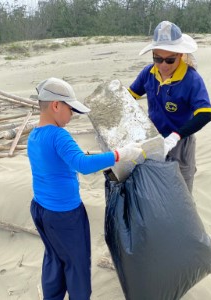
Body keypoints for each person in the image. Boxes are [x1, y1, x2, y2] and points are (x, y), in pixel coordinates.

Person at [27, 77, 143, 300]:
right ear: (56, 105)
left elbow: (57, 163)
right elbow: (81, 165)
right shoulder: (59, 135)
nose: (72, 116)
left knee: (54, 258)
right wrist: (121, 154)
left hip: (41, 210)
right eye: (71, 110)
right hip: (65, 214)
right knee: (77, 265)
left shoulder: (35, 135)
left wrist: (93, 157)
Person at [128, 20, 211, 194]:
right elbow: (130, 96)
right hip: (153, 140)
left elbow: (205, 114)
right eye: (158, 58)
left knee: (181, 189)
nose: (163, 65)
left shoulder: (191, 79)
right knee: (155, 187)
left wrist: (175, 136)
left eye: (170, 60)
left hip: (181, 141)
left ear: (180, 55)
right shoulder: (148, 73)